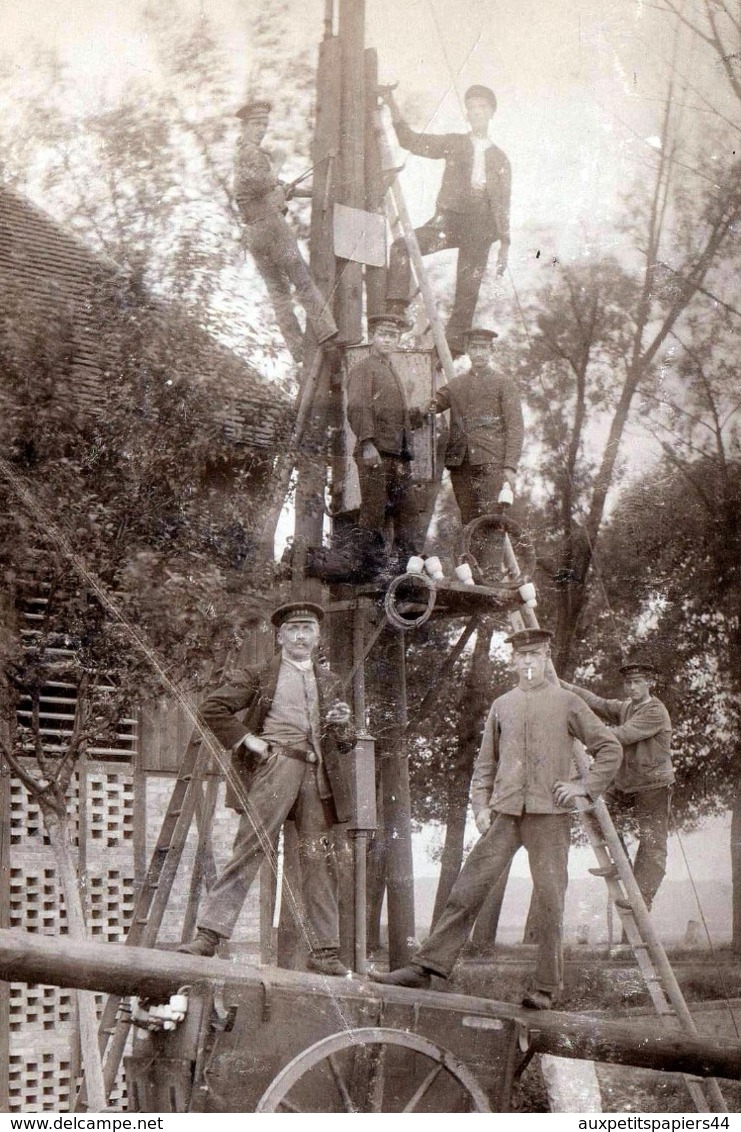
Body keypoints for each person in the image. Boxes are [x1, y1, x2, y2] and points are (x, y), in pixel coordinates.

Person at [372, 628, 622, 1009]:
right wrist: (480, 807)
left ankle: (546, 988)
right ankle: (426, 968)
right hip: (505, 814)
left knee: (551, 901)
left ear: (546, 657)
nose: (527, 663)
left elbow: (609, 747)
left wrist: (584, 789)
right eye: (521, 656)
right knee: (467, 890)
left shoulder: (568, 702)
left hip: (549, 816)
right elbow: (485, 764)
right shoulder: (502, 705)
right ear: (513, 661)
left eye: (534, 655)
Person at [180, 602, 355, 977]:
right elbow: (212, 708)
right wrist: (248, 740)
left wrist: (343, 725)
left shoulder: (330, 681)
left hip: (317, 776)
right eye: (293, 629)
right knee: (250, 848)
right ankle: (208, 937)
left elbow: (344, 744)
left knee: (318, 859)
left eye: (308, 628)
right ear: (279, 637)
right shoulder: (258, 675)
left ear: (318, 636)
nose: (300, 636)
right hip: (276, 768)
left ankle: (325, 953)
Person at [382, 84, 511, 357]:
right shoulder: (454, 142)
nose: (477, 112)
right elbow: (409, 140)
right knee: (404, 247)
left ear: (491, 113)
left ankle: (452, 349)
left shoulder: (500, 159)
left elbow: (503, 204)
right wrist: (391, 102)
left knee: (468, 289)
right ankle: (396, 312)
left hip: (481, 227)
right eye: (472, 108)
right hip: (449, 220)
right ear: (467, 114)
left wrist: (504, 246)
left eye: (482, 108)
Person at [560, 659, 673, 912]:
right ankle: (619, 863)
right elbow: (597, 703)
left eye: (637, 682)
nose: (631, 687)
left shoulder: (655, 711)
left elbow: (621, 735)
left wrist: (586, 739)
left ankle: (643, 898)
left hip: (653, 785)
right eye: (628, 683)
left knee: (652, 842)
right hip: (626, 783)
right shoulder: (626, 708)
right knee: (594, 810)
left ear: (649, 683)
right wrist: (562, 685)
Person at [234, 98, 338, 362]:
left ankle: (297, 350)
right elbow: (264, 184)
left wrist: (311, 192)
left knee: (278, 293)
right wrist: (279, 160)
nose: (261, 130)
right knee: (302, 280)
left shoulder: (244, 155)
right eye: (257, 124)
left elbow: (274, 186)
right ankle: (328, 335)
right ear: (244, 126)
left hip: (254, 234)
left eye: (264, 125)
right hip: (272, 228)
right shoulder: (251, 153)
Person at [346, 312, 422, 577]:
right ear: (372, 337)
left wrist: (412, 417)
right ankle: (367, 570)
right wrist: (367, 444)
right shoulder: (364, 369)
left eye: (393, 335)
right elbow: (357, 407)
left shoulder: (390, 370)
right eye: (383, 334)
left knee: (408, 511)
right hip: (376, 454)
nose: (388, 339)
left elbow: (390, 413)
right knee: (374, 512)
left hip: (398, 456)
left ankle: (407, 570)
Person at [430, 326, 524, 539]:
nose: (479, 353)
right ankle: (473, 571)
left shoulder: (504, 384)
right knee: (469, 524)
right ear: (468, 350)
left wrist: (510, 466)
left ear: (492, 350)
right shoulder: (457, 384)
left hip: (491, 462)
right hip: (461, 465)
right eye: (475, 347)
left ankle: (490, 573)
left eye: (484, 348)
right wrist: (425, 407)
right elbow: (434, 403)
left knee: (492, 522)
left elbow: (515, 427)